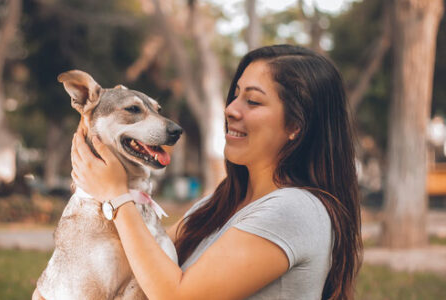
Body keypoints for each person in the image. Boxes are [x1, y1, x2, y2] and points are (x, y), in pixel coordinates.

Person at [70, 44, 363, 300]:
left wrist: (116, 196)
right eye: (235, 96)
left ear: (296, 127)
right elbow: (135, 265)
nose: (231, 109)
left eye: (253, 101)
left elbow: (176, 296)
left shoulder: (295, 210)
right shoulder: (215, 205)